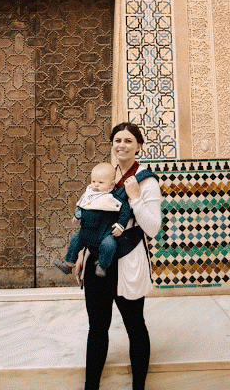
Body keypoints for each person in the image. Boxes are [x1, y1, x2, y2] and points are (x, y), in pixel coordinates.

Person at [75, 122, 162, 390]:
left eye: (128, 140)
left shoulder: (146, 181)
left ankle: (138, 387)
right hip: (97, 258)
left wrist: (135, 198)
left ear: (138, 147)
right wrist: (82, 250)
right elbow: (88, 215)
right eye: (117, 140)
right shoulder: (103, 175)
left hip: (128, 259)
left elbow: (153, 228)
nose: (121, 145)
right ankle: (91, 385)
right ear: (112, 144)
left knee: (135, 324)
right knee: (97, 327)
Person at [53, 162, 131, 277]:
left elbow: (125, 211)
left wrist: (120, 225)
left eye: (100, 182)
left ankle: (102, 266)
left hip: (104, 233)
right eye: (93, 181)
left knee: (109, 245)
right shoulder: (88, 195)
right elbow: (81, 206)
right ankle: (68, 264)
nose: (96, 185)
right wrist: (77, 215)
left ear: (111, 184)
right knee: (75, 239)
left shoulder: (114, 198)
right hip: (86, 232)